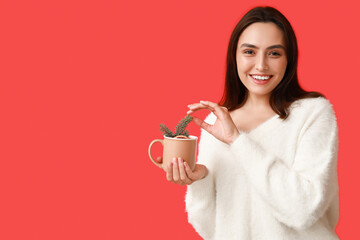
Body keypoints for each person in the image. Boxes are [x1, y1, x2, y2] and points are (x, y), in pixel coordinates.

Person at [156, 6, 339, 240]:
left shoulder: (313, 113)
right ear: (235, 57)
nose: (261, 65)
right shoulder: (216, 121)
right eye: (249, 52)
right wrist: (200, 180)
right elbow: (209, 228)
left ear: (289, 60)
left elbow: (303, 211)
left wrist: (238, 141)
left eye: (274, 53)